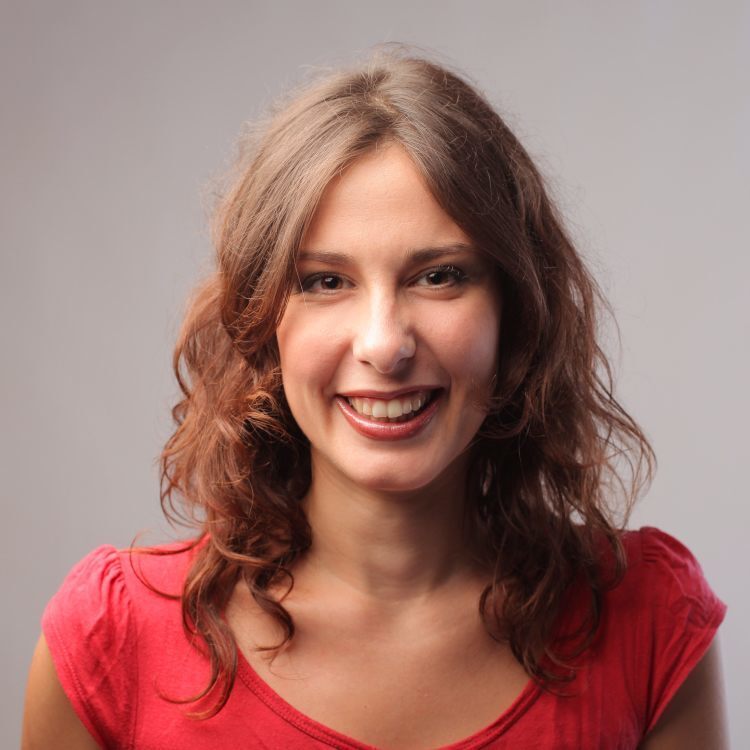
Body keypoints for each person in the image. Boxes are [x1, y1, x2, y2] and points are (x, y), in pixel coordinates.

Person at [22, 48, 728, 749]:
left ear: (517, 313)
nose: (384, 344)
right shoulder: (111, 639)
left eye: (440, 276)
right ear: (261, 321)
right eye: (325, 281)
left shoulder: (651, 624)